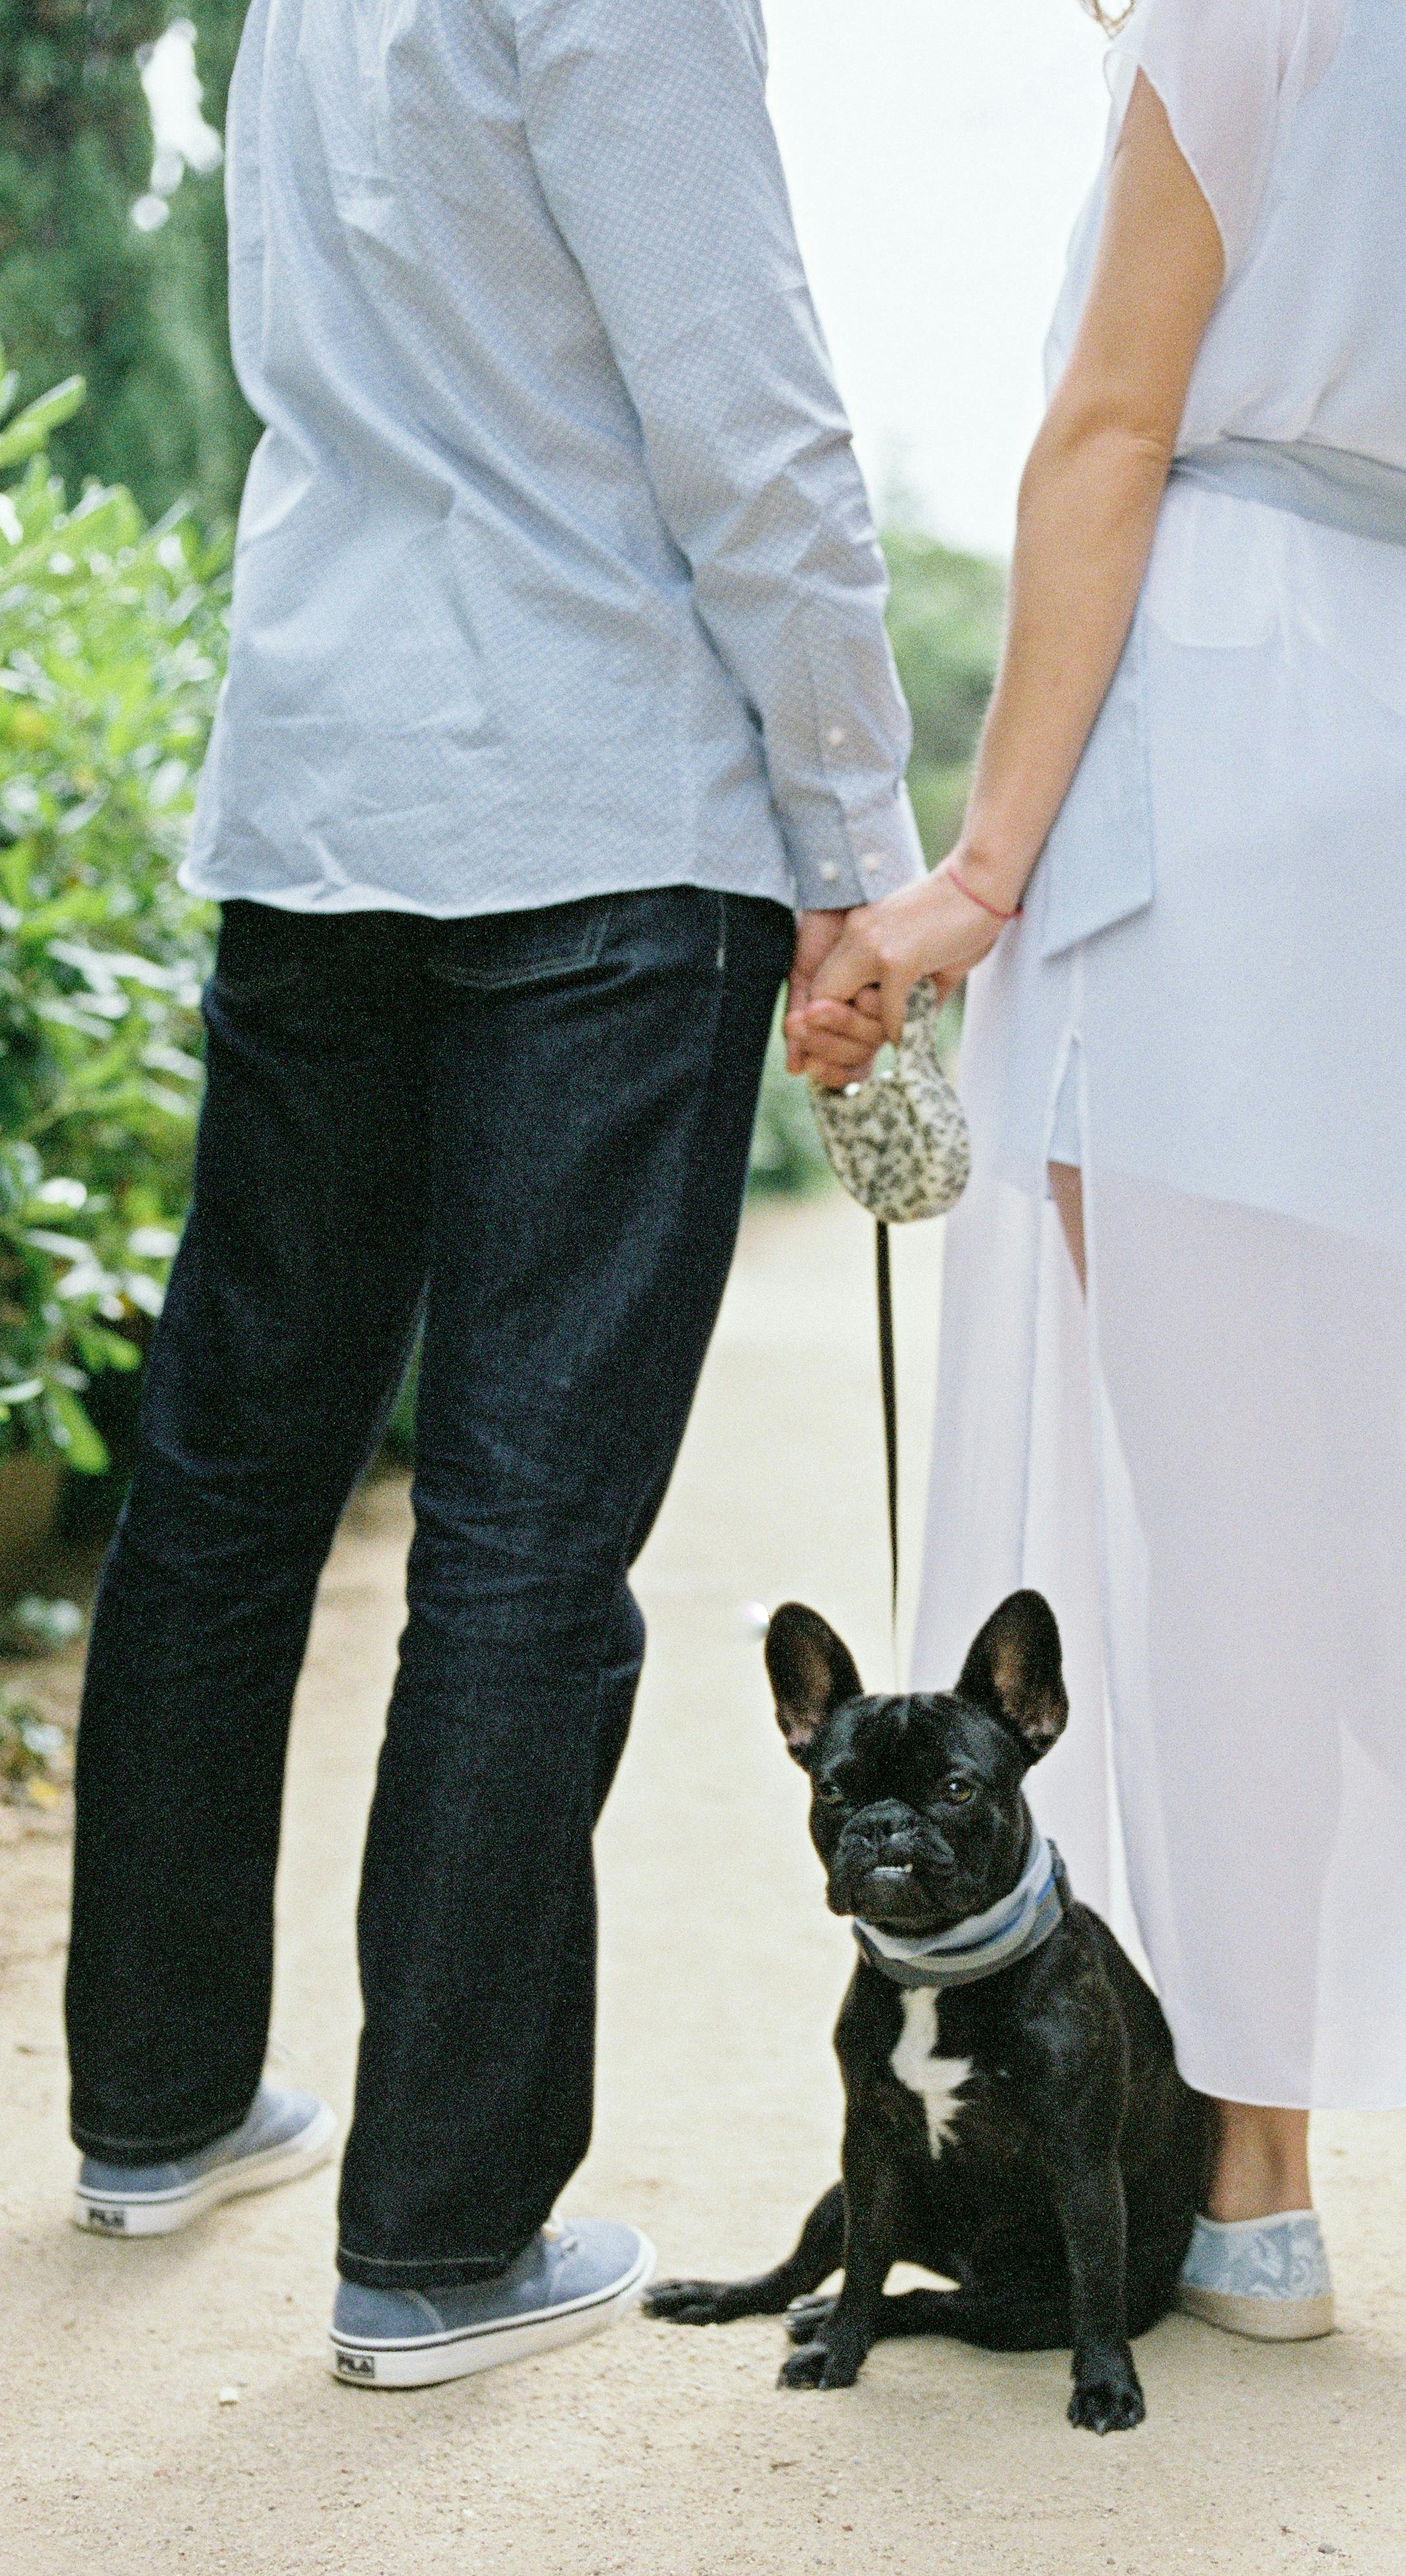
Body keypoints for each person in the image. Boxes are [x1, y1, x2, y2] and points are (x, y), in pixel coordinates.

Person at [795, 0, 1406, 2344]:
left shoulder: (1246, 15)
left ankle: (1270, 2203)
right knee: (1381, 1488)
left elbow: (1108, 429)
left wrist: (975, 874)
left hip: (1202, 742)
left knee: (1221, 1519)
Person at [65, 0, 911, 2388]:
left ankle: (156, 2102)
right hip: (592, 799)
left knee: (232, 1476)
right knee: (533, 1537)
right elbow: (747, 416)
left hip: (327, 784)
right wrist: (857, 840)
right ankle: (436, 2238)